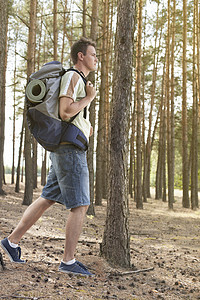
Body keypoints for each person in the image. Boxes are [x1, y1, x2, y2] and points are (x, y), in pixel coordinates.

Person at [1, 37, 98, 277]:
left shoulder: (78, 80)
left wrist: (86, 125)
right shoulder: (73, 77)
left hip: (65, 148)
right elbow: (65, 112)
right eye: (93, 54)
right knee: (81, 204)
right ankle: (68, 261)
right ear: (81, 56)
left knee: (47, 198)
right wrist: (88, 98)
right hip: (69, 151)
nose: (96, 59)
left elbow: (70, 114)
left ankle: (11, 242)